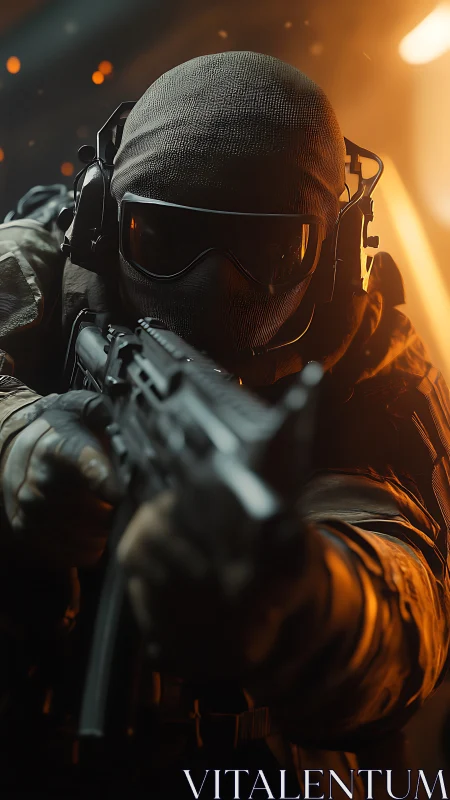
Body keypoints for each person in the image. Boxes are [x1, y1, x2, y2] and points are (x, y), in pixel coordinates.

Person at [0, 51, 449, 798]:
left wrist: (312, 601)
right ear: (104, 217)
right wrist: (18, 442)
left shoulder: (375, 361)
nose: (215, 285)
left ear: (335, 252)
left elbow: (406, 596)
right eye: (164, 239)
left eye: (269, 250)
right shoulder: (38, 258)